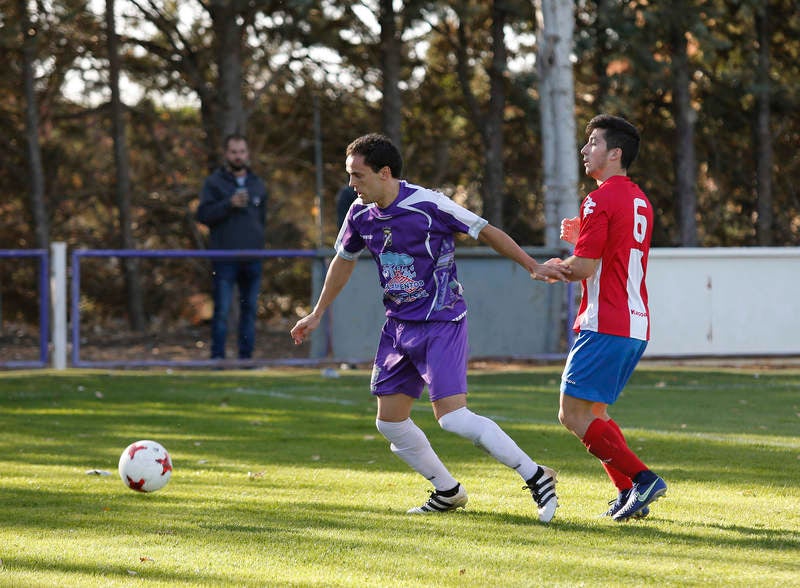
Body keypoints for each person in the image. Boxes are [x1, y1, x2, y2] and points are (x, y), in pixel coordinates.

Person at [290, 133, 570, 522]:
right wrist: (317, 313)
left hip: (441, 321)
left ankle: (537, 475)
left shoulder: (428, 204)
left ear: (384, 173)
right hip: (398, 326)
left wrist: (532, 265)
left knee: (453, 417)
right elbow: (344, 260)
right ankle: (448, 492)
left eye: (358, 175)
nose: (352, 184)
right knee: (389, 422)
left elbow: (484, 229)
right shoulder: (358, 213)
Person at [546, 114, 667, 521]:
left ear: (615, 153)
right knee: (594, 414)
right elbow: (614, 251)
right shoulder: (639, 200)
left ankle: (642, 479)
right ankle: (628, 492)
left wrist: (548, 267)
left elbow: (584, 268)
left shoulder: (598, 198)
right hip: (634, 323)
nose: (585, 149)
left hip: (604, 321)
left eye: (593, 143)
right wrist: (583, 234)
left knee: (572, 414)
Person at [196, 134, 268, 361]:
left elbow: (262, 220)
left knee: (249, 312)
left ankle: (245, 359)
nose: (238, 156)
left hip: (252, 258)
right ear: (226, 154)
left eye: (242, 152)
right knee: (222, 311)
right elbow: (203, 215)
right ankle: (217, 358)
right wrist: (228, 204)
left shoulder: (258, 184)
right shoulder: (214, 183)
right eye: (234, 152)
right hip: (224, 258)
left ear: (248, 154)